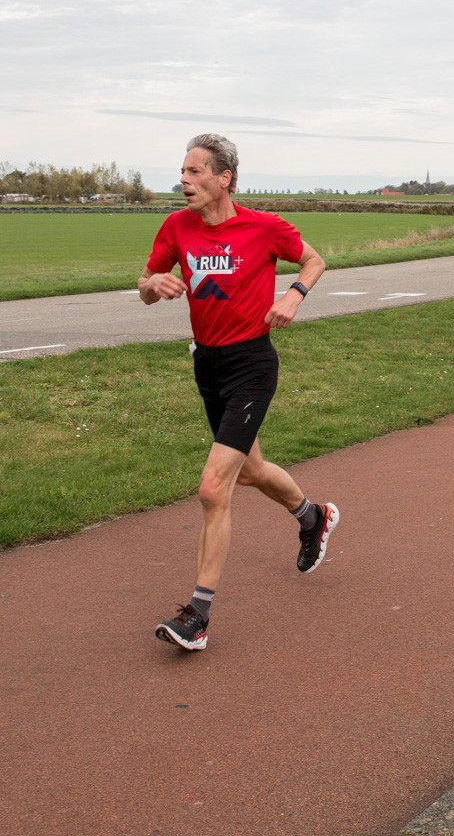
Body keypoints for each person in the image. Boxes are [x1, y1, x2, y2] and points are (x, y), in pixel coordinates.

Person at [138, 133, 338, 651]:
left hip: (252, 364)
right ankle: (313, 517)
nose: (184, 180)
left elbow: (314, 260)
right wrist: (153, 286)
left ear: (223, 178)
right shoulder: (177, 227)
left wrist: (293, 295)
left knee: (213, 488)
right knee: (249, 471)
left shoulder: (263, 227)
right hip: (208, 365)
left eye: (194, 171)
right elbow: (145, 283)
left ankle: (198, 616)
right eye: (183, 171)